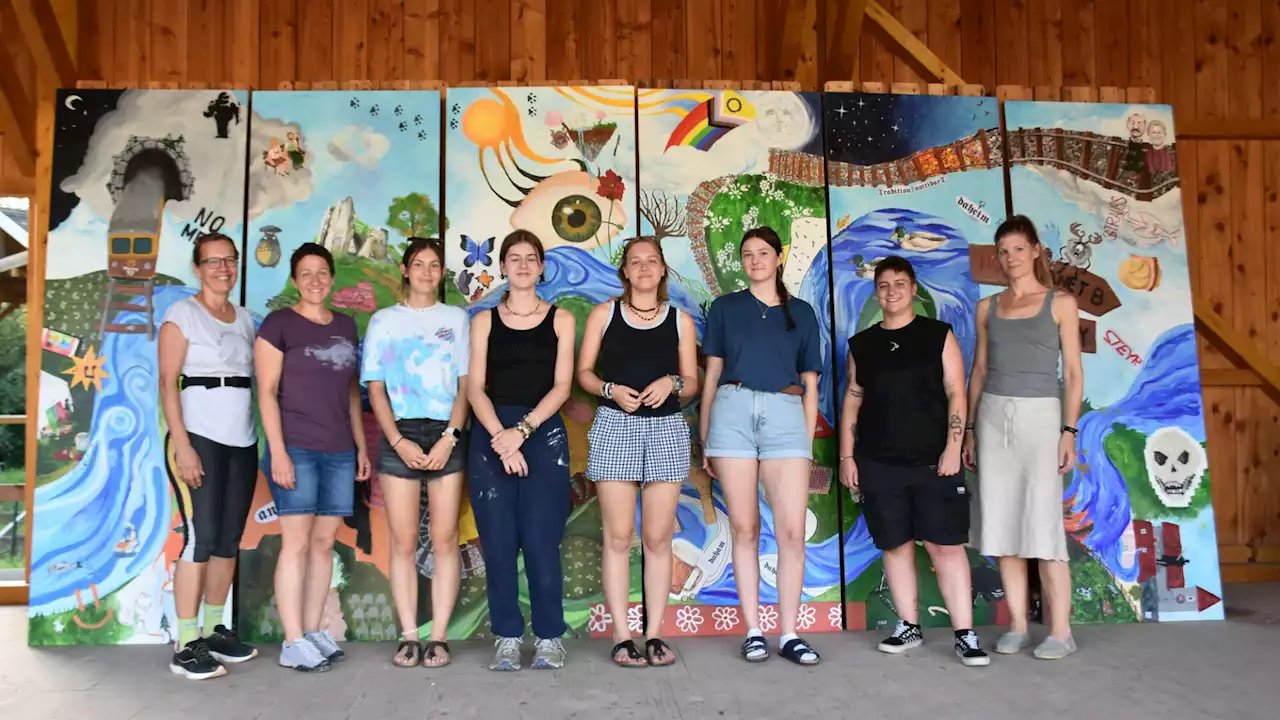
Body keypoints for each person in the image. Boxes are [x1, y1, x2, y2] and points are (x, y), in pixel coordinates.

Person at [839, 256, 988, 667]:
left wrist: (953, 447)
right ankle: (909, 625)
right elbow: (853, 398)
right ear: (876, 292)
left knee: (945, 546)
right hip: (879, 462)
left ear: (914, 288)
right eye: (883, 285)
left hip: (932, 461)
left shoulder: (938, 335)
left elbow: (957, 390)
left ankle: (965, 633)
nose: (891, 291)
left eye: (899, 283)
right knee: (895, 544)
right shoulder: (862, 345)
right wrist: (847, 456)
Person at [699, 226, 823, 666]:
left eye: (763, 253)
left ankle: (789, 633)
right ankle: (753, 630)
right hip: (731, 413)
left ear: (778, 258)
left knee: (791, 530)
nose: (755, 261)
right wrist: (705, 433)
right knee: (745, 529)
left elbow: (811, 383)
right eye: (747, 254)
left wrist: (805, 443)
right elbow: (711, 374)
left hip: (786, 415)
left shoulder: (803, 313)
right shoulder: (725, 308)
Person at [964, 215, 1083, 660]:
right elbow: (977, 372)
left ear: (1035, 251)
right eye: (1003, 251)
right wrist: (971, 429)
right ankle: (1016, 625)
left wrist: (1068, 431)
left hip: (1041, 418)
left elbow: (1072, 372)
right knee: (1001, 521)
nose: (1010, 258)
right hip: (994, 416)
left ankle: (1060, 632)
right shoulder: (987, 308)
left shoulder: (1061, 303)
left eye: (1018, 248)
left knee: (1043, 526)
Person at [576, 237, 698, 668]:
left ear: (663, 270)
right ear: (624, 271)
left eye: (652, 261)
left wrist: (673, 383)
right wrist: (610, 389)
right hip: (615, 426)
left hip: (666, 429)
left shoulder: (680, 321)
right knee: (618, 536)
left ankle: (655, 635)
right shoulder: (603, 315)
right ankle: (621, 636)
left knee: (659, 538)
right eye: (635, 262)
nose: (644, 268)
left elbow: (692, 381)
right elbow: (585, 374)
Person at [255, 243, 371, 672]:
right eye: (306, 273)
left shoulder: (345, 325)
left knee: (324, 544)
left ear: (332, 277)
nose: (315, 280)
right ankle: (292, 641)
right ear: (293, 280)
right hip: (297, 447)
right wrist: (280, 452)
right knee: (298, 543)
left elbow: (351, 394)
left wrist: (360, 446)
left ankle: (311, 631)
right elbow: (266, 392)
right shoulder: (279, 324)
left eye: (322, 272)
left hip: (339, 448)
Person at [467, 230, 576, 671]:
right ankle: (507, 636)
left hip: (543, 433)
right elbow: (474, 389)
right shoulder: (483, 321)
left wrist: (522, 432)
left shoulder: (562, 320)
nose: (524, 265)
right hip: (491, 433)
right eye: (515, 258)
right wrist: (501, 436)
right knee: (498, 544)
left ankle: (549, 637)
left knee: (541, 541)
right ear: (504, 266)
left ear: (542, 266)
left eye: (532, 258)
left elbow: (563, 385)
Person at [361, 237, 471, 669]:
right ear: (405, 270)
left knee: (445, 539)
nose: (427, 271)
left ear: (442, 273)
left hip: (447, 431)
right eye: (419, 264)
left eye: (435, 265)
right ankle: (409, 635)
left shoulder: (457, 319)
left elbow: (466, 386)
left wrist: (450, 438)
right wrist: (397, 441)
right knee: (404, 541)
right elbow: (375, 388)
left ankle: (439, 637)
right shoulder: (384, 322)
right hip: (400, 432)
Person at [157, 232, 259, 680]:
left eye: (229, 260)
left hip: (243, 439)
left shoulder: (246, 320)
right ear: (197, 269)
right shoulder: (182, 315)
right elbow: (167, 383)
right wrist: (182, 445)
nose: (223, 268)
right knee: (200, 537)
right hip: (198, 436)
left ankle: (216, 628)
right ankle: (185, 641)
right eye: (213, 261)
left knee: (228, 539)